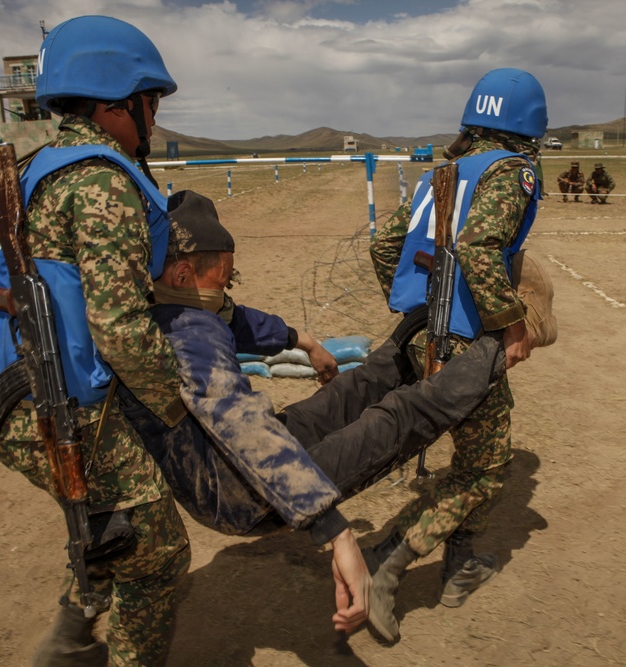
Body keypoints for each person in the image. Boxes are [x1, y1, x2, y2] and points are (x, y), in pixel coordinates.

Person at [117, 192, 509, 632]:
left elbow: (235, 318)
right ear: (184, 272)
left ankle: (400, 346)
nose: (226, 292)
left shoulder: (160, 303)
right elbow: (241, 425)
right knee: (393, 420)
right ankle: (495, 351)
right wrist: (335, 530)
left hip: (230, 468)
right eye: (224, 280)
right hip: (242, 493)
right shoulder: (190, 335)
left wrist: (302, 341)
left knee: (342, 396)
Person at [0, 16, 191, 665]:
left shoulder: (42, 167)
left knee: (111, 525)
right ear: (115, 103)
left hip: (19, 396)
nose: (153, 114)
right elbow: (121, 327)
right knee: (158, 555)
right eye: (148, 100)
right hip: (66, 411)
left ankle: (69, 637)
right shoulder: (101, 180)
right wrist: (178, 407)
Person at [368, 67, 546, 641]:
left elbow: (385, 243)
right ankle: (390, 560)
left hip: (426, 330)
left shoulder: (443, 173)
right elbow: (478, 247)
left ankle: (463, 563)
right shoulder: (511, 171)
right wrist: (511, 326)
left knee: (475, 449)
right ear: (529, 124)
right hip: (467, 339)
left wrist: (416, 307)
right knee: (489, 468)